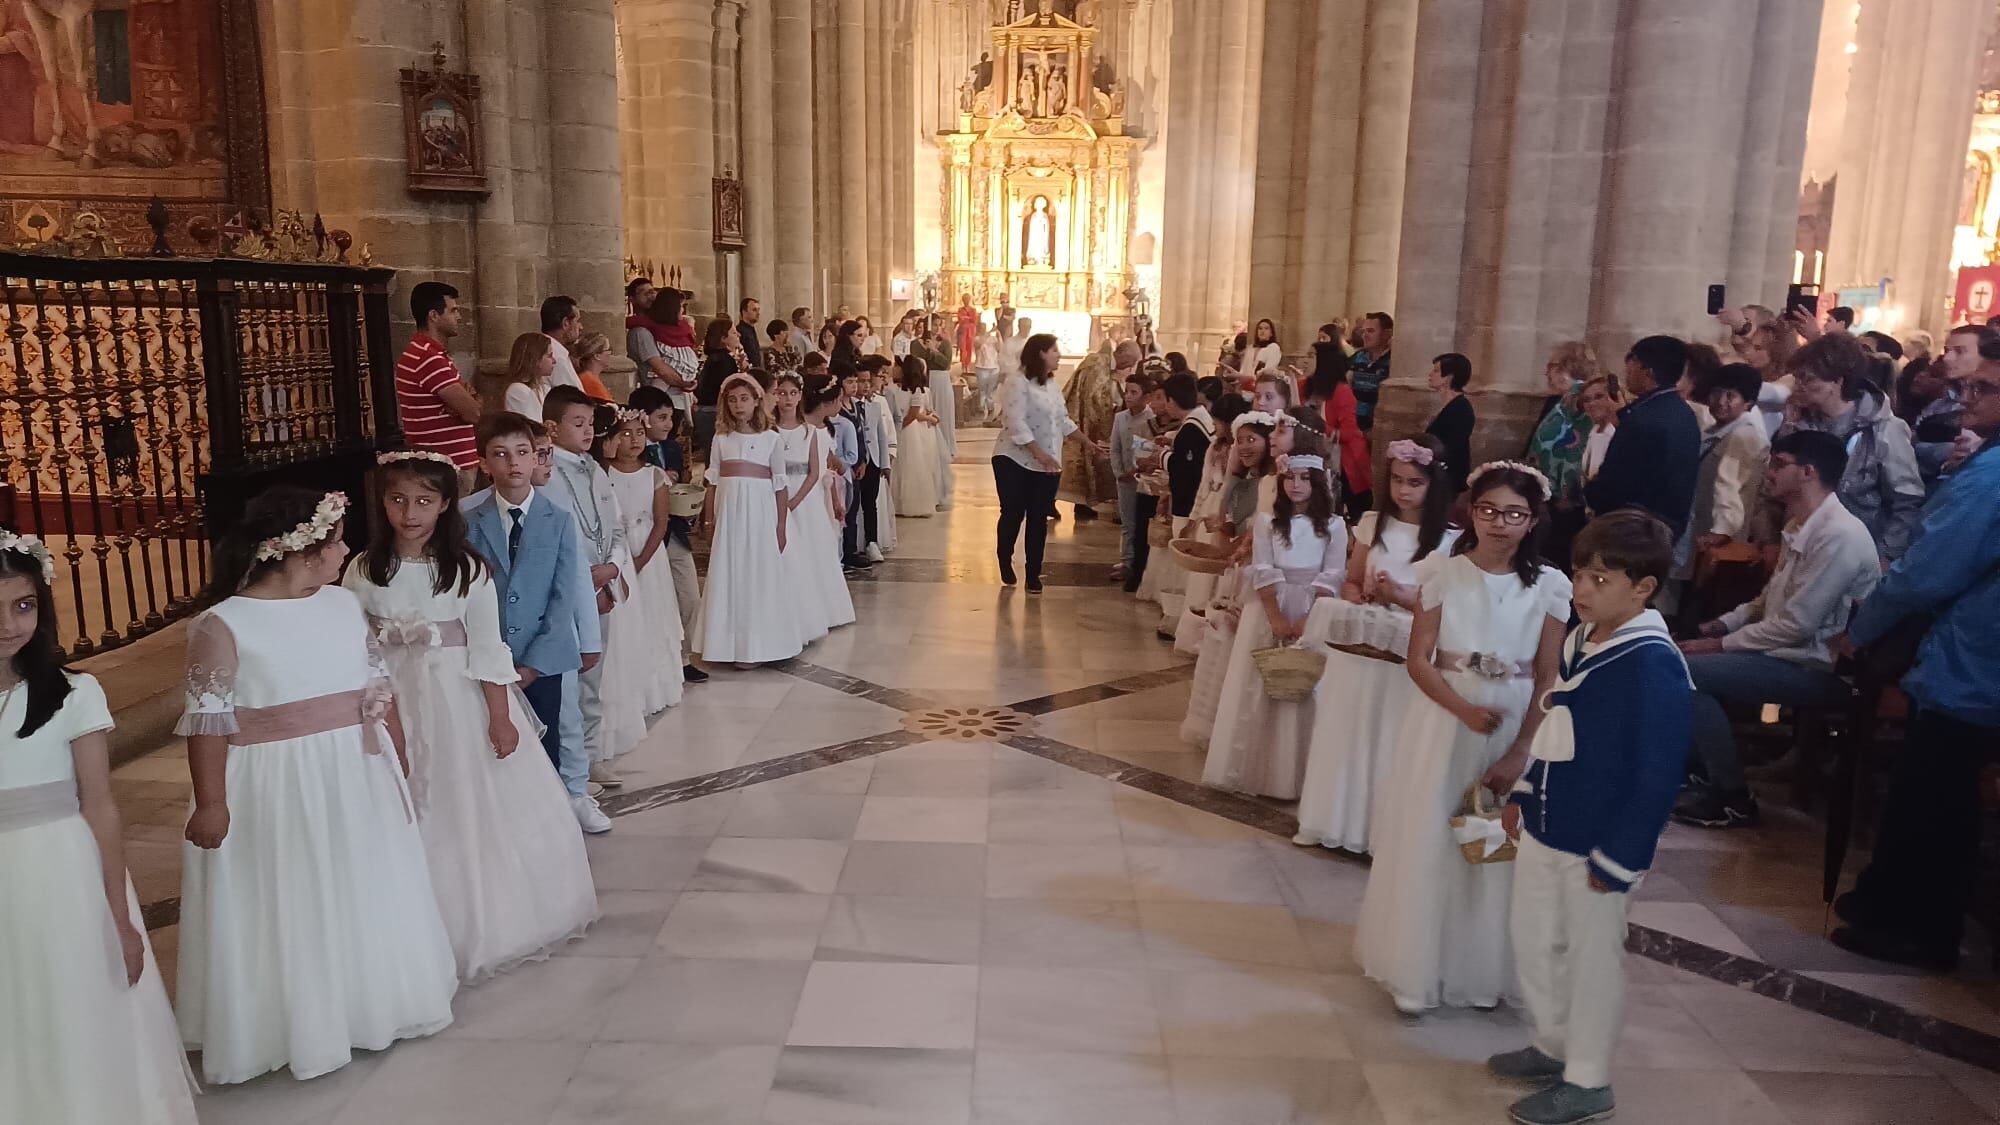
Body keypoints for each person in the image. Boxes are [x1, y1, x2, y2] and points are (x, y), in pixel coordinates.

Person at [177, 486, 459, 1082]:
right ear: (301, 551)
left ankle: (368, 1002)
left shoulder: (339, 604)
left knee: (361, 880)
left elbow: (377, 687)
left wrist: (397, 755)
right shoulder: (224, 624)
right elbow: (208, 719)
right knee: (290, 890)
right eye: (335, 542)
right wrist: (211, 802)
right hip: (276, 777)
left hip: (353, 767)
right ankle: (291, 1020)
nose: (345, 550)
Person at [344, 451, 598, 981]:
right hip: (390, 695)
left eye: (423, 501)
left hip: (453, 696)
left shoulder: (466, 568)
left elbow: (486, 647)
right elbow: (353, 643)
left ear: (444, 506)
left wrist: (500, 716)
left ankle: (479, 916)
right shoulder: (364, 568)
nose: (409, 513)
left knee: (462, 799)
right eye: (397, 500)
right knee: (401, 791)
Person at [1491, 511, 1691, 1125]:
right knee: (1536, 940)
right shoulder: (1586, 637)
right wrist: (1525, 790)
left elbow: (1655, 774)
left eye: (1600, 579)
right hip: (1552, 822)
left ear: (1643, 588)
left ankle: (1588, 1079)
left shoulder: (1653, 663)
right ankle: (1554, 1043)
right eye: (1579, 574)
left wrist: (1620, 858)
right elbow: (1559, 726)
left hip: (1597, 844)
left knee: (1591, 958)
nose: (1580, 590)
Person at [1355, 462, 1570, 1014]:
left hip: (1514, 721)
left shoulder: (1549, 586)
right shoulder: (1442, 574)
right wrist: (1462, 708)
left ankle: (1480, 969)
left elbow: (1550, 675)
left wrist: (1524, 748)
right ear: (1470, 512)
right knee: (1432, 834)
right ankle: (1417, 969)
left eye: (1514, 514)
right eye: (1488, 510)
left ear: (1533, 520)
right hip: (1446, 718)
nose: (1499, 524)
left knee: (1493, 843)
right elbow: (1419, 660)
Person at [0, 533, 198, 1124]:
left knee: (68, 994)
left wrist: (118, 914)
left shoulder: (74, 694)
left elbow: (101, 806)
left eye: (23, 605)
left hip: (60, 869)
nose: (10, 624)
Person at [1828, 356, 2000, 971]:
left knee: (1937, 798)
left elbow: (1927, 572)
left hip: (1975, 665)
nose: (1967, 398)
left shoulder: (1991, 478)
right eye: (1968, 385)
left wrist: (1863, 629)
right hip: (1977, 662)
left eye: (1985, 388)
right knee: (1926, 787)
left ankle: (1921, 930)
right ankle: (1885, 901)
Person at [1671, 430, 1879, 828]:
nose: (1769, 472)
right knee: (1675, 656)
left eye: (1779, 464)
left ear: (1807, 472)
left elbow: (1797, 627)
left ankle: (1731, 796)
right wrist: (1717, 625)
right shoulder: (1803, 523)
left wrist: (1718, 645)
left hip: (1822, 667)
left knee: (1686, 672)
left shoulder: (1838, 535)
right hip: (1788, 654)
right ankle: (1699, 772)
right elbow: (1764, 603)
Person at [1294, 436, 1461, 854]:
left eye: (1415, 483)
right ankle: (1330, 819)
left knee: (1390, 740)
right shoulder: (1373, 524)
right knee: (1344, 734)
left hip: (1406, 651)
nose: (1403, 491)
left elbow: (1448, 608)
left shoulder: (1451, 539)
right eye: (1398, 481)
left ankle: (1379, 831)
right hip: (1362, 648)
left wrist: (1404, 596)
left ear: (1434, 486)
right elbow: (1350, 580)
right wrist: (1359, 595)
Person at [463, 413, 610, 834]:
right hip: (488, 652)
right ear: (483, 462)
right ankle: (505, 819)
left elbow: (565, 594)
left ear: (536, 457)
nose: (513, 464)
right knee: (496, 738)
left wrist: (535, 663)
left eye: (522, 453)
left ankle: (554, 816)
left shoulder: (558, 518)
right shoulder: (466, 517)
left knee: (551, 736)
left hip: (543, 654)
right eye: (500, 454)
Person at [1202, 445, 1346, 799]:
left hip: (1314, 608)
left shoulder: (1335, 526)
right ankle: (1256, 768)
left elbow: (1333, 574)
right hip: (1269, 607)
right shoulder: (1267, 522)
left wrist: (1308, 620)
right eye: (1290, 479)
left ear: (1319, 484)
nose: (1296, 486)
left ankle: (1300, 775)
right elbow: (1262, 568)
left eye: (1305, 479)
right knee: (1261, 684)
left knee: (1305, 685)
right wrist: (1276, 616)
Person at [545, 388, 648, 784]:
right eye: (578, 423)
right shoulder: (548, 473)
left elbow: (616, 526)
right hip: (568, 588)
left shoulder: (595, 469)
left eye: (590, 424)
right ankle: (564, 762)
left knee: (592, 673)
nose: (588, 431)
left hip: (601, 582)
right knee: (565, 677)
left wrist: (613, 567)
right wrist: (587, 575)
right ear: (552, 428)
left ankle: (588, 756)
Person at [1777, 332, 1926, 564]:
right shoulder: (1798, 424)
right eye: (1797, 379)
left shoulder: (1884, 429)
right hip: (1798, 549)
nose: (1798, 387)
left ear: (1838, 381)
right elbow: (1778, 487)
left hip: (1855, 554)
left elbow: (1906, 501)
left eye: (1807, 379)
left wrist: (1885, 556)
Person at [695, 372, 803, 665]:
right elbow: (713, 482)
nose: (738, 405)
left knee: (758, 572)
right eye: (732, 400)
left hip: (759, 514)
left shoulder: (771, 439)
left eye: (744, 398)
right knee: (730, 572)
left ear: (757, 401)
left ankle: (760, 645)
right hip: (729, 515)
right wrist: (709, 520)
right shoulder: (721, 439)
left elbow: (780, 485)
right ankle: (727, 644)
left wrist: (781, 525)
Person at [993, 332, 1096, 593]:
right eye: (1054, 350)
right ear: (1040, 353)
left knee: (1039, 518)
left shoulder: (1050, 385)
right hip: (1013, 458)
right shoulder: (1017, 382)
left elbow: (1062, 420)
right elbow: (1015, 421)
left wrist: (1087, 443)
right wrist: (1037, 452)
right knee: (1013, 513)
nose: (1058, 354)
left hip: (1048, 462)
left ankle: (1033, 573)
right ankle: (1005, 558)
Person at [601, 409, 687, 713]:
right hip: (616, 551)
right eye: (625, 434)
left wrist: (640, 561)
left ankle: (658, 687)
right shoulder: (603, 474)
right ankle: (629, 689)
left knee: (654, 615)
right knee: (624, 622)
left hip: (647, 555)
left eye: (639, 433)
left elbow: (661, 522)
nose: (634, 440)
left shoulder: (654, 474)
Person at [1584, 335, 1701, 539]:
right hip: (1665, 528)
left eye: (1631, 367)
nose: (1627, 374)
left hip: (1633, 529)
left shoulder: (1643, 418)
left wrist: (1593, 489)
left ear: (1648, 373)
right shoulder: (1684, 412)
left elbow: (1617, 482)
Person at [630, 385, 708, 684]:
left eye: (669, 418)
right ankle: (653, 660)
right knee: (651, 600)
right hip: (643, 533)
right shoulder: (630, 451)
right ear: (643, 418)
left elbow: (681, 484)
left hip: (673, 532)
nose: (668, 424)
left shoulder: (673, 448)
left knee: (689, 597)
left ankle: (685, 656)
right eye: (661, 418)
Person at [770, 373, 843, 643]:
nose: (786, 399)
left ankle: (819, 607)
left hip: (804, 496)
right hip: (777, 494)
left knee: (811, 549)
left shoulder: (809, 431)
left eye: (792, 393)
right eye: (781, 393)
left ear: (799, 396)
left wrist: (795, 501)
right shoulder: (769, 431)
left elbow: (815, 471)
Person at [1683, 362, 1770, 574]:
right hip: (1702, 524)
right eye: (1716, 393)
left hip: (1717, 535)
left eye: (1730, 396)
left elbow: (1730, 485)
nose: (1721, 402)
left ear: (1748, 402)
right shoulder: (1716, 429)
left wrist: (1722, 530)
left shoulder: (1744, 434)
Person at [396, 281, 481, 487]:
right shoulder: (428, 358)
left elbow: (472, 401)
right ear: (434, 316)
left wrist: (466, 400)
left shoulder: (426, 353)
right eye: (453, 311)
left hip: (445, 464)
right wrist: (466, 401)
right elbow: (473, 413)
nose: (459, 317)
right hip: (447, 466)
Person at [1061, 339, 1129, 520]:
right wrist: (1108, 420)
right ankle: (1070, 504)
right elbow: (1097, 397)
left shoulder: (1102, 364)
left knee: (1085, 462)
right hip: (1087, 419)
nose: (1128, 367)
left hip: (1083, 417)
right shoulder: (1099, 364)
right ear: (1122, 355)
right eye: (1129, 363)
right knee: (1082, 460)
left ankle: (1082, 504)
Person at [1304, 341, 1371, 518]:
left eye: (1311, 356)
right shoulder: (1307, 386)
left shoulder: (1341, 391)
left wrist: (1315, 423)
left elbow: (1349, 433)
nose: (1305, 361)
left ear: (1324, 362)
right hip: (1317, 456)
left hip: (1344, 463)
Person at [1110, 369, 1156, 586]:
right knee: (1127, 522)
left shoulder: (1151, 419)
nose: (1128, 396)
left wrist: (1137, 471)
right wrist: (1120, 473)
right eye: (1127, 391)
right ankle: (1127, 561)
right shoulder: (1120, 418)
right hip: (1125, 479)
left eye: (1134, 392)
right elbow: (1115, 448)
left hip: (1144, 478)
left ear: (1146, 397)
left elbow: (1149, 450)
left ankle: (1140, 562)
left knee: (1142, 522)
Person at [626, 279, 698, 418]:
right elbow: (661, 369)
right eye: (644, 293)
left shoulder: (669, 322)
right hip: (663, 400)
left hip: (676, 399)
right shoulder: (641, 331)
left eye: (652, 291)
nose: (651, 296)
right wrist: (685, 383)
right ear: (632, 299)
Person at [892, 354, 947, 517]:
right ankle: (897, 503)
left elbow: (913, 414)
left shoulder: (917, 390)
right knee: (899, 465)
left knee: (910, 466)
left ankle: (913, 504)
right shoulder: (899, 388)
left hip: (909, 430)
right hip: (902, 427)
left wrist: (899, 427)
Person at [858, 356, 900, 558]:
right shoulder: (846, 405)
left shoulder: (878, 403)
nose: (866, 385)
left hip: (874, 459)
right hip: (855, 461)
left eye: (868, 381)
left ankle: (871, 541)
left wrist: (886, 461)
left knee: (871, 504)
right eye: (861, 381)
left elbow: (884, 434)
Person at [1425, 352, 1476, 495]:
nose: (1430, 374)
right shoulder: (1450, 404)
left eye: (1436, 370)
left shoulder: (1461, 408)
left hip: (1447, 479)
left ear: (1449, 377)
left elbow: (1452, 447)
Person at [695, 316, 742, 456]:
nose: (738, 335)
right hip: (716, 413)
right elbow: (729, 391)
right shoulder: (725, 361)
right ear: (723, 338)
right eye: (733, 333)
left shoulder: (713, 358)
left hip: (704, 412)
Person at [1348, 311, 1394, 431]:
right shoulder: (1357, 357)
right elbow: (1346, 387)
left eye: (1371, 331)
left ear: (1387, 334)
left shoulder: (1394, 361)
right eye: (1363, 331)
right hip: (1354, 425)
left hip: (1377, 428)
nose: (1364, 336)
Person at [499, 331, 556, 419]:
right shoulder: (517, 391)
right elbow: (531, 426)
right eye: (549, 356)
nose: (554, 361)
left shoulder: (545, 389)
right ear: (535, 359)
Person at [540, 295, 586, 394]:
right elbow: (573, 397)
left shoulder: (554, 349)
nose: (581, 327)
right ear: (566, 323)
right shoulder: (555, 354)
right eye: (577, 321)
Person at [568, 331, 619, 403]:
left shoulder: (588, 376)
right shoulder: (589, 380)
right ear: (597, 356)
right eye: (608, 349)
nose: (611, 353)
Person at [973, 318, 1002, 420]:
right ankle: (981, 408)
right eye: (982, 328)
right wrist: (989, 332)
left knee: (991, 391)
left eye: (985, 328)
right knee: (982, 390)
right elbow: (979, 344)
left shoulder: (993, 339)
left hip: (993, 367)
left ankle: (990, 408)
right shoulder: (977, 338)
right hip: (981, 367)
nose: (984, 329)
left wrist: (998, 335)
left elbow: (999, 348)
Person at [736, 296, 764, 370]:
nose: (758, 313)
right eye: (754, 310)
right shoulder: (740, 331)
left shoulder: (751, 329)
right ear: (744, 312)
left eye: (758, 310)